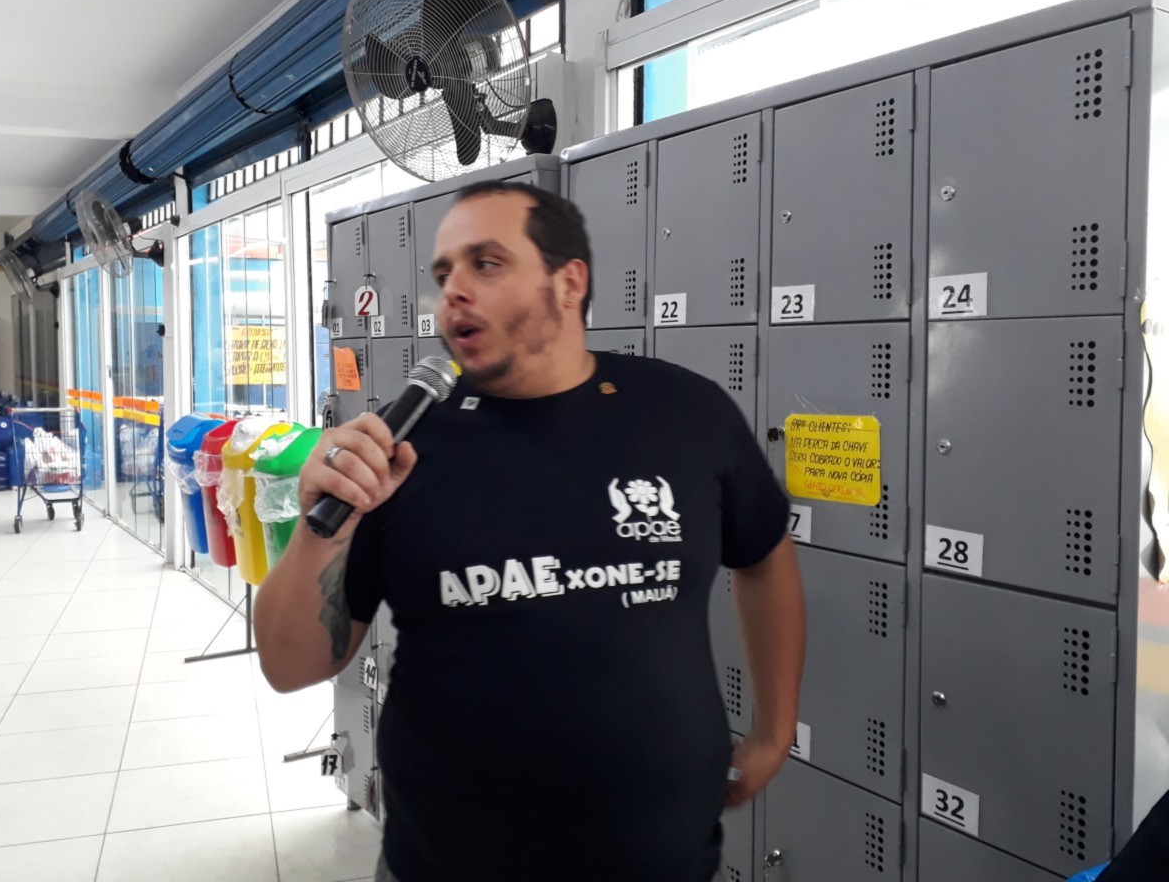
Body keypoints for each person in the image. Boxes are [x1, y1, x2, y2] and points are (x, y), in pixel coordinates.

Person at [255, 183, 806, 882]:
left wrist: (774, 728)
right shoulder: (399, 446)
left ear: (568, 281)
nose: (454, 290)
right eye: (444, 273)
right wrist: (320, 529)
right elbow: (290, 667)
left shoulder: (684, 412)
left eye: (486, 263)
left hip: (665, 860)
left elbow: (764, 554)